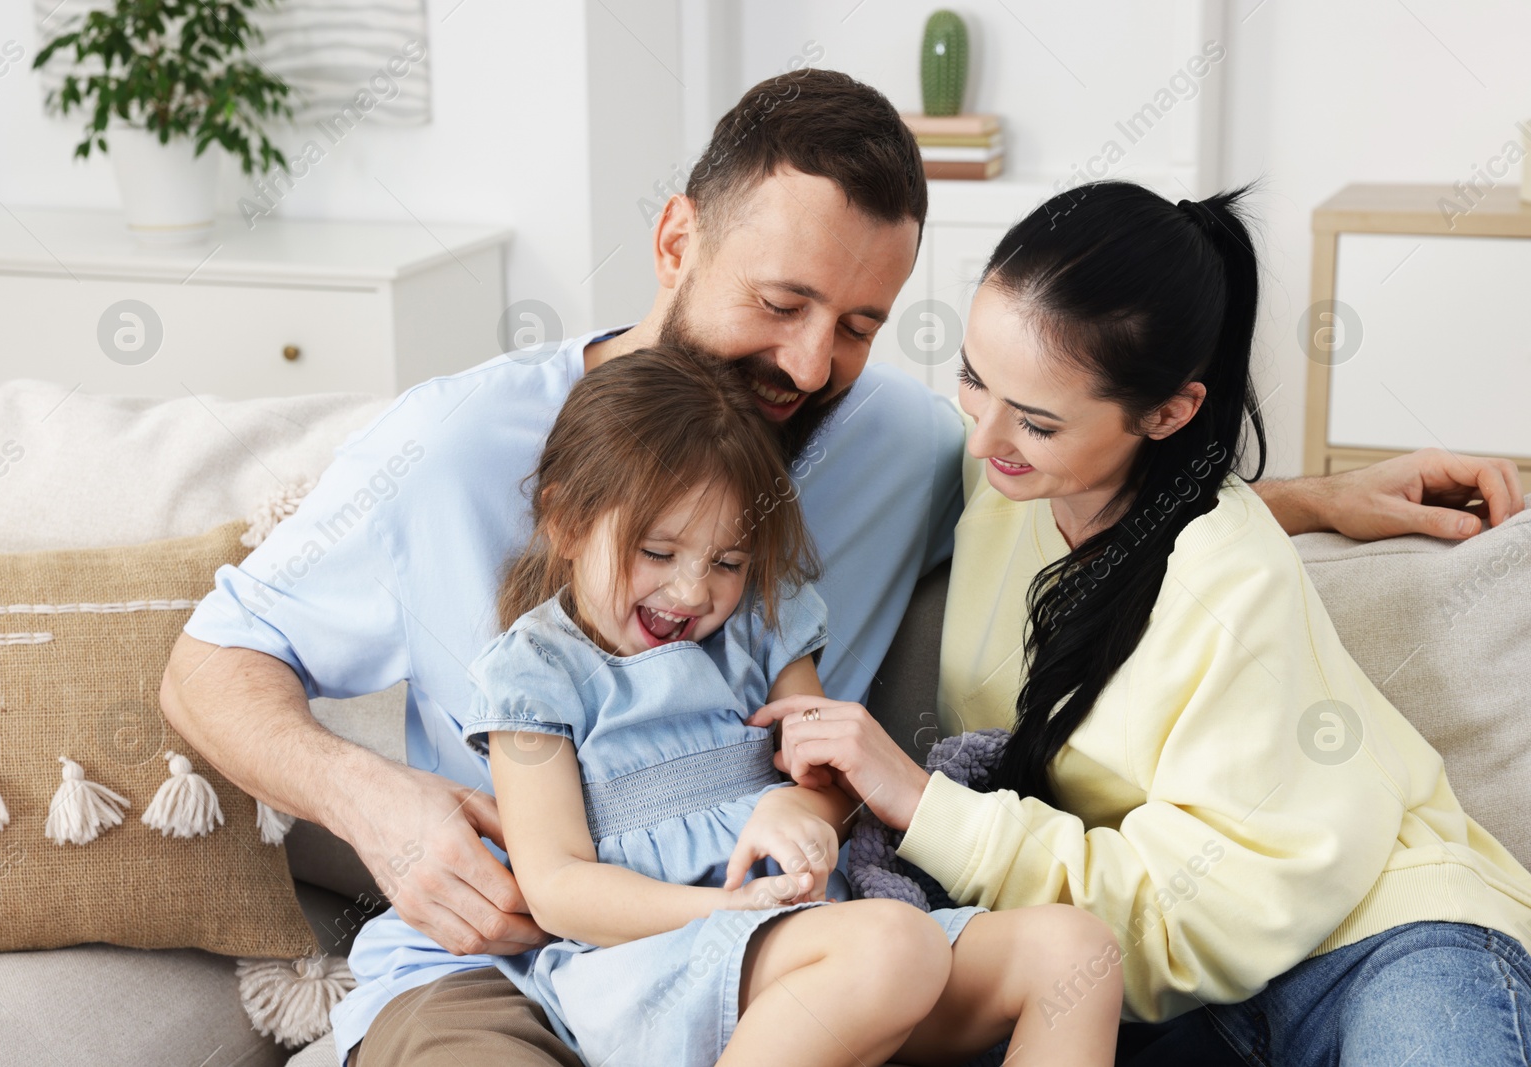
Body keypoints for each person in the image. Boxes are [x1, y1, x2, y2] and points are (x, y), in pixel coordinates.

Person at [159, 70, 1525, 1067]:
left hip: (779, 946)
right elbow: (208, 663)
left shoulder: (895, 442)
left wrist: (1313, 496)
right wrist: (382, 809)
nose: (813, 364)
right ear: (676, 239)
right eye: (783, 302)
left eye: (862, 322)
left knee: (1059, 955)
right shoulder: (459, 443)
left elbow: (1078, 488)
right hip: (502, 954)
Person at [754, 180, 1531, 1066]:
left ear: (1168, 413)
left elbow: (1186, 917)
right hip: (1173, 1004)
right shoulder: (1010, 483)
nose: (983, 437)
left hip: (1376, 944)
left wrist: (923, 803)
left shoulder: (1229, 577)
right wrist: (1317, 496)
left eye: (1037, 422)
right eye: (974, 377)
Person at [464, 345, 1121, 1066]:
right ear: (565, 522)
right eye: (657, 552)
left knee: (1075, 949)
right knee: (896, 943)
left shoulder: (759, 625)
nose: (689, 593)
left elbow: (828, 779)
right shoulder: (536, 672)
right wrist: (722, 909)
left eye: (727, 563)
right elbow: (557, 886)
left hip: (832, 946)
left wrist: (799, 813)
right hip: (657, 962)